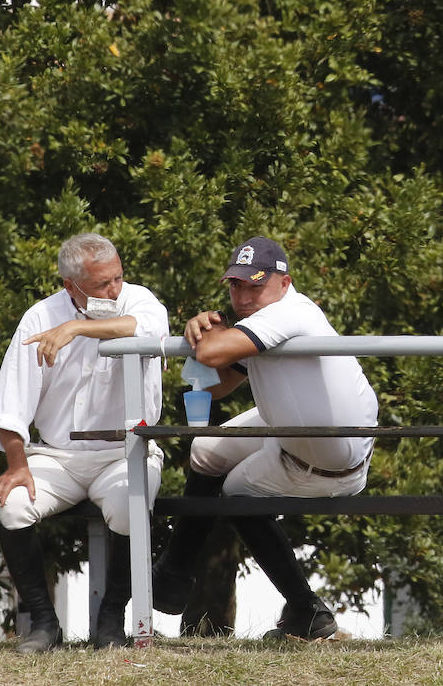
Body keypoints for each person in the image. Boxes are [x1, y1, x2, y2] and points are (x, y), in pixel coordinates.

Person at [151, 236, 378, 640]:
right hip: (297, 429)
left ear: (284, 282)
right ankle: (174, 573)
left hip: (326, 459)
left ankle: (307, 611)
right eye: (237, 285)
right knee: (205, 450)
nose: (244, 295)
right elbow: (219, 386)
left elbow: (208, 355)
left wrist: (203, 328)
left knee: (237, 492)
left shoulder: (291, 312)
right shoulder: (261, 317)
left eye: (255, 285)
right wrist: (217, 330)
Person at [0, 233, 168, 652]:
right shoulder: (38, 317)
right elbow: (11, 404)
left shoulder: (138, 299)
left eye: (118, 278)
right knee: (11, 505)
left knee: (130, 505)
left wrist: (75, 328)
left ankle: (111, 621)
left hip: (125, 451)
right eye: (102, 285)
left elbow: (146, 329)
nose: (114, 290)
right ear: (70, 285)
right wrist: (17, 465)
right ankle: (44, 622)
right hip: (58, 455)